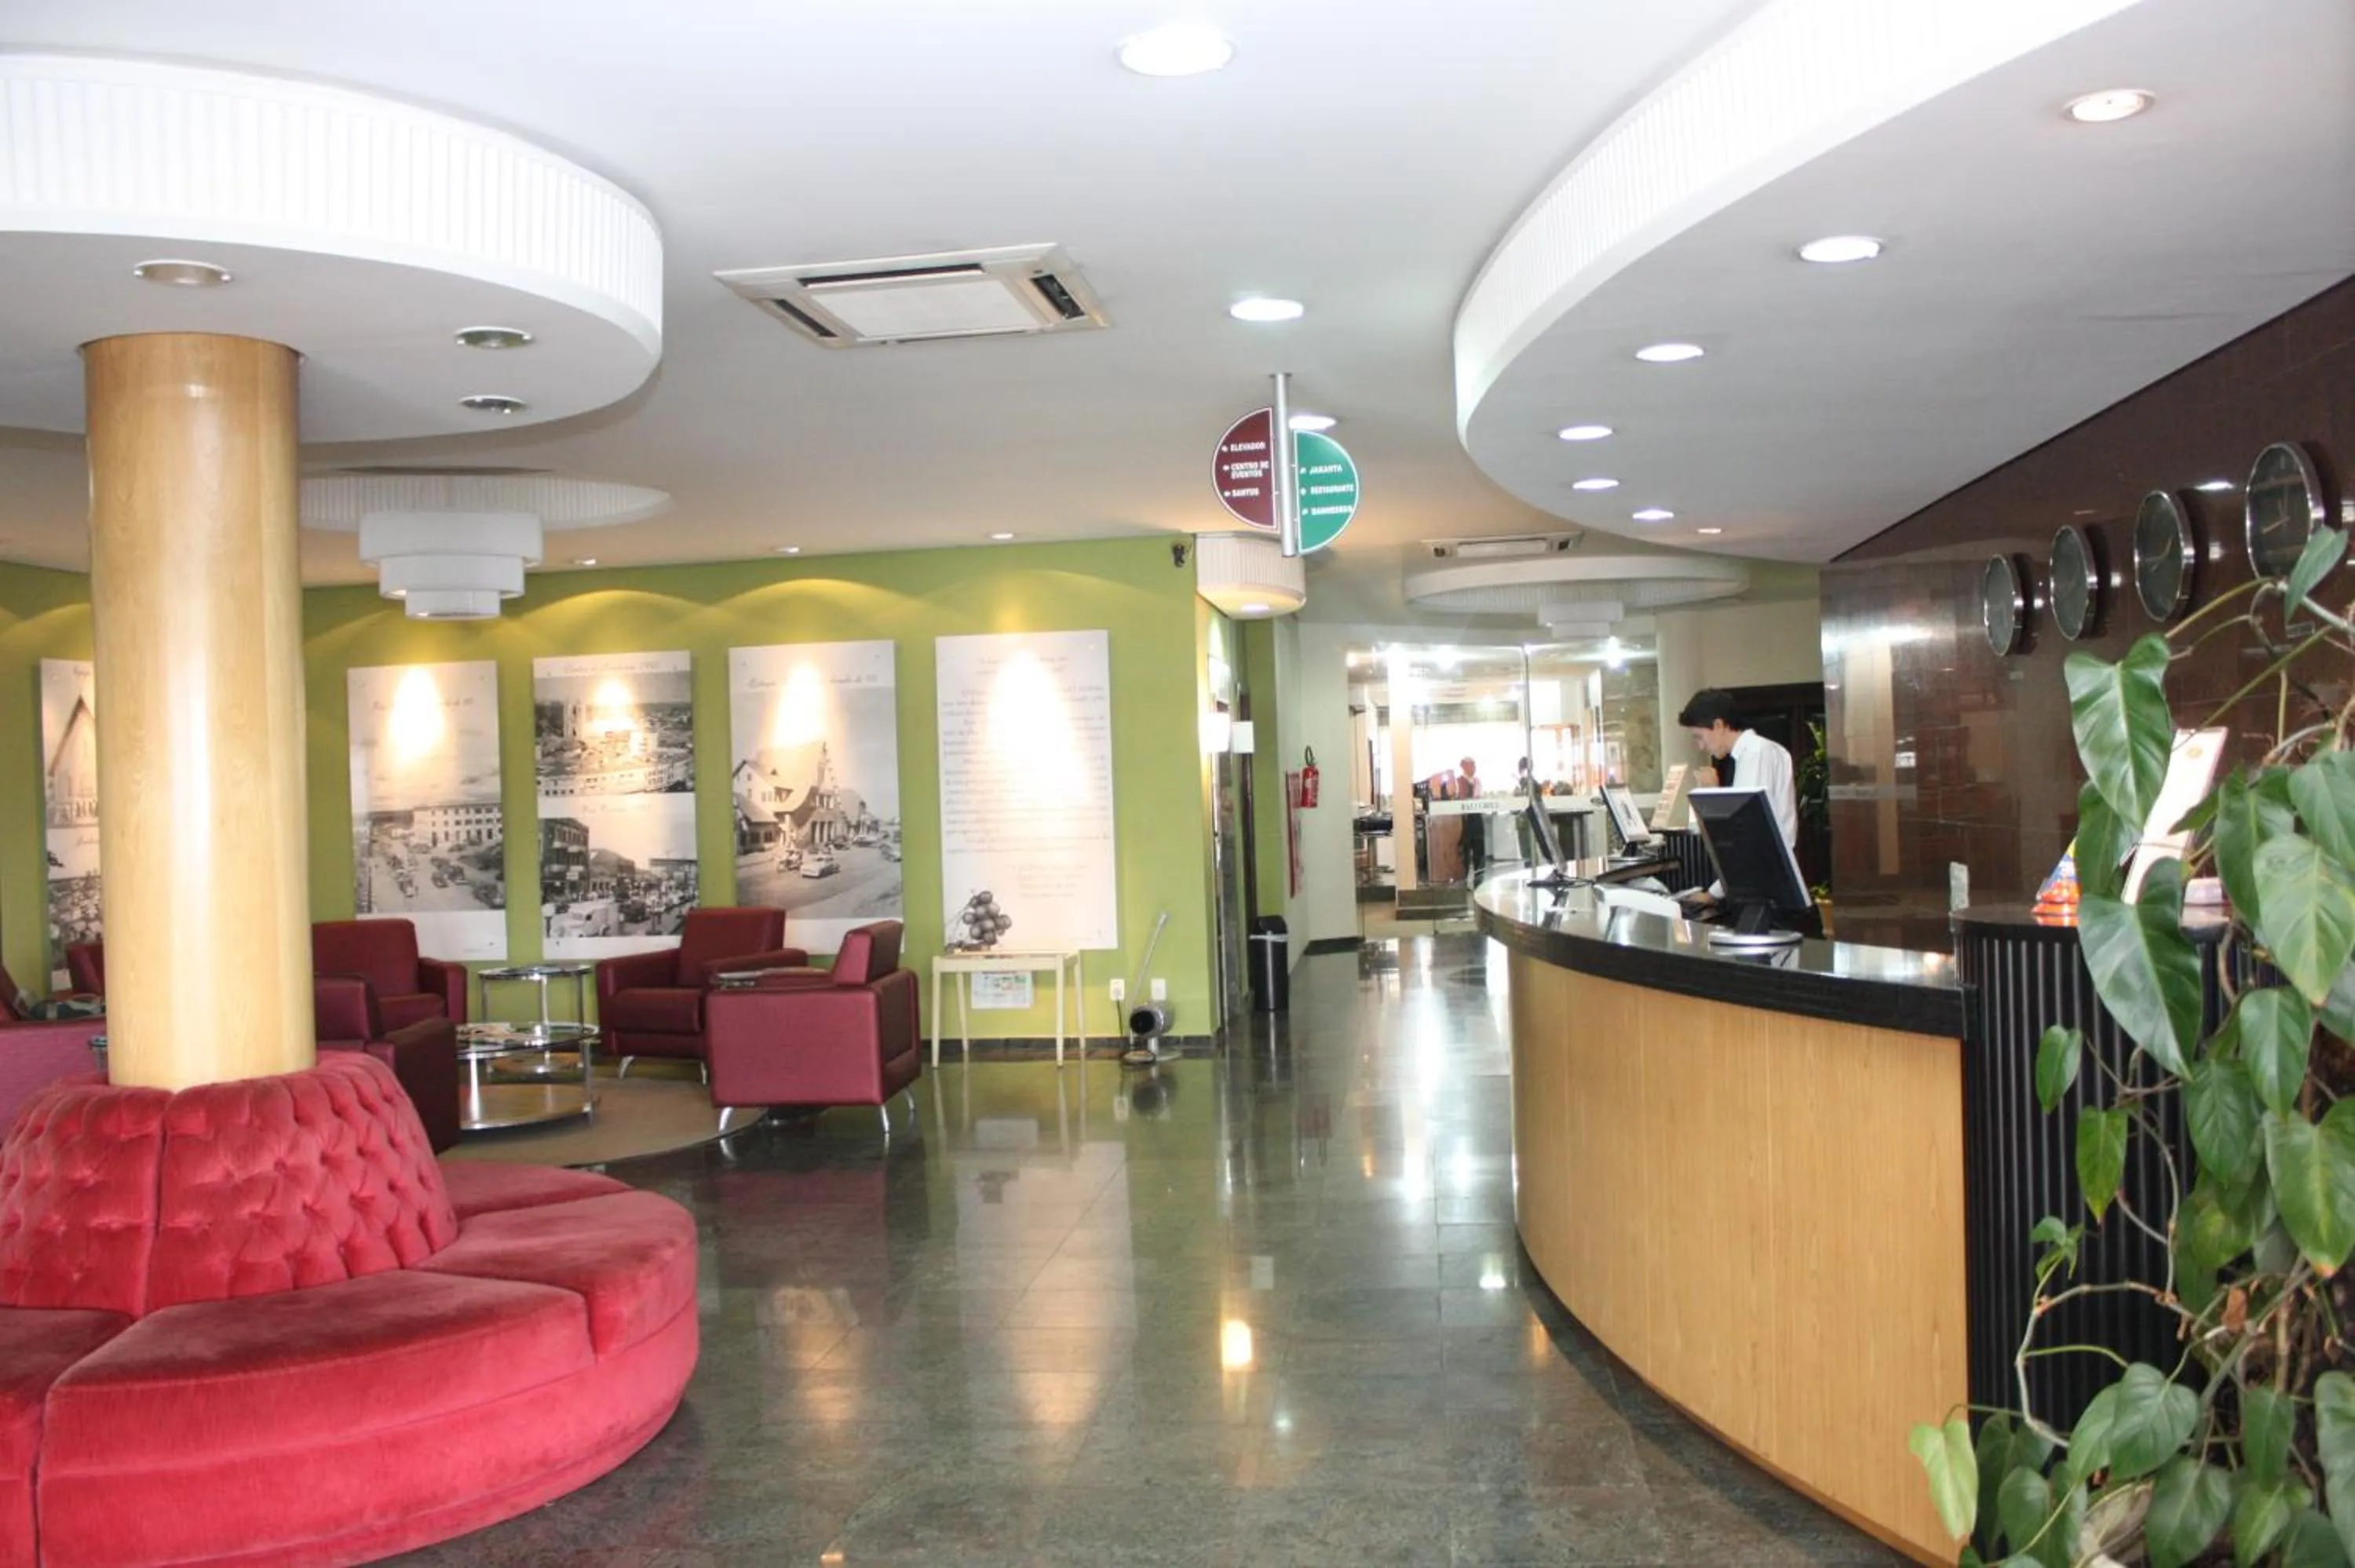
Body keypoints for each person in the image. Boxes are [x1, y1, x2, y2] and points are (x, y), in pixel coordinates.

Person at [1675, 689, 1814, 932]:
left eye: (1700, 737)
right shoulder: (1762, 750)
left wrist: (1713, 894)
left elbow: (1745, 836)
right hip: (1769, 883)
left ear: (1719, 725)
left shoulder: (1754, 754)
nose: (1701, 746)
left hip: (1765, 889)